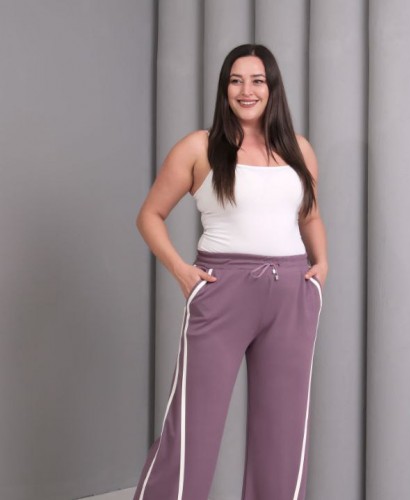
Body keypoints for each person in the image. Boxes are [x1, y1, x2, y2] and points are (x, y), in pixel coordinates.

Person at [133, 43, 328, 500]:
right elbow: (149, 215)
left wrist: (321, 264)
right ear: (224, 89)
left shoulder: (298, 149)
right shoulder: (199, 147)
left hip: (291, 293)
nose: (246, 90)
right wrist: (183, 271)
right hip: (223, 291)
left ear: (272, 87)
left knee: (284, 431)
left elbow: (311, 215)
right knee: (193, 427)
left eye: (257, 80)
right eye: (236, 80)